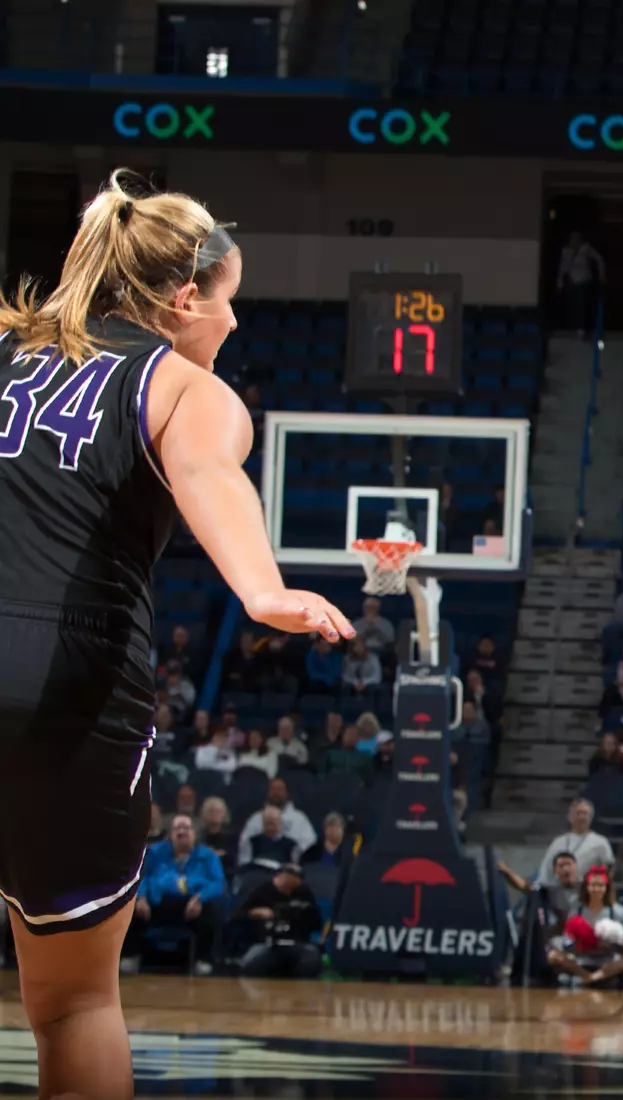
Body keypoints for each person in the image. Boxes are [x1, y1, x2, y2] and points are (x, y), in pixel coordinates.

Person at [0, 171, 356, 1100]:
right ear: (180, 297)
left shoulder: (5, 343)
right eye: (227, 301)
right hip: (70, 682)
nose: (233, 325)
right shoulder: (182, 386)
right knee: (75, 1003)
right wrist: (267, 592)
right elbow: (211, 477)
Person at [122, 815, 225, 976]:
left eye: (186, 828)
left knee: (211, 910)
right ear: (170, 834)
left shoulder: (208, 856)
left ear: (194, 833)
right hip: (157, 903)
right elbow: (141, 877)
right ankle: (130, 956)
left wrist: (199, 898)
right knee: (132, 906)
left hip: (191, 905)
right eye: (178, 828)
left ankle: (203, 960)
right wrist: (141, 898)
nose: (182, 832)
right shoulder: (155, 853)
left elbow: (218, 883)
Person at [545, 865, 623, 987]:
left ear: (606, 888)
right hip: (581, 958)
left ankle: (593, 977)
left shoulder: (619, 911)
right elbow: (567, 941)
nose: (596, 889)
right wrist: (579, 946)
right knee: (553, 955)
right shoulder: (576, 911)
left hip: (608, 959)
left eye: (600, 886)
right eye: (592, 885)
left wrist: (605, 943)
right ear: (586, 887)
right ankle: (589, 976)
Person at [237, 862, 323, 978]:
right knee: (250, 966)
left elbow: (316, 921)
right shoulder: (261, 891)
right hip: (266, 943)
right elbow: (237, 916)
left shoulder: (303, 893)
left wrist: (298, 915)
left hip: (297, 942)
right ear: (279, 876)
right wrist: (256, 913)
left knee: (311, 960)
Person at [556, 229, 606, 336]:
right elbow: (562, 267)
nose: (574, 241)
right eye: (572, 239)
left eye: (576, 239)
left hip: (584, 281)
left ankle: (581, 329)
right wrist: (560, 282)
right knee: (572, 305)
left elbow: (599, 259)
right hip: (572, 281)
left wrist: (601, 274)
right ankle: (572, 327)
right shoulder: (566, 251)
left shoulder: (585, 248)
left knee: (581, 304)